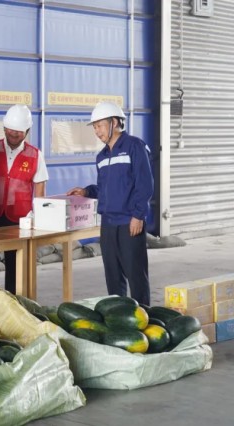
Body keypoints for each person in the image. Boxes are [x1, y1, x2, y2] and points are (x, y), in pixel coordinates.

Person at [66, 101, 153, 305]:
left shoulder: (134, 146)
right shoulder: (102, 156)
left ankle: (144, 316)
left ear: (114, 122)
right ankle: (119, 316)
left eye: (100, 126)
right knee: (113, 278)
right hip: (108, 224)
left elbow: (145, 183)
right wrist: (87, 191)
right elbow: (103, 188)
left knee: (136, 276)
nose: (97, 131)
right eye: (95, 127)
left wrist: (138, 215)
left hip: (129, 222)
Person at [0, 104, 49, 295]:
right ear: (4, 128)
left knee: (16, 266)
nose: (14, 133)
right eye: (11, 129)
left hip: (20, 220)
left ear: (26, 131)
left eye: (19, 131)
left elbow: (40, 188)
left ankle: (13, 304)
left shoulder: (35, 155)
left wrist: (38, 218)